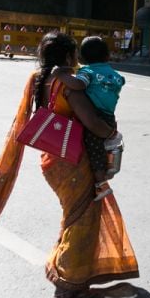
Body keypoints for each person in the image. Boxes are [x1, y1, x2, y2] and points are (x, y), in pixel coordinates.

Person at [0, 31, 139, 298]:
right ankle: (69, 285)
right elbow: (91, 122)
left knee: (73, 215)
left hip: (51, 159)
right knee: (83, 220)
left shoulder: (37, 79)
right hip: (73, 161)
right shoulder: (68, 85)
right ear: (69, 56)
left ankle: (63, 270)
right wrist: (110, 132)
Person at [53, 36, 125, 200]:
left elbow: (79, 85)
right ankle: (110, 164)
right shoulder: (114, 74)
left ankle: (101, 184)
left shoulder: (87, 72)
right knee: (103, 146)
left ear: (83, 58)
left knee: (94, 150)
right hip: (109, 115)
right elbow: (121, 82)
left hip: (95, 115)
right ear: (107, 56)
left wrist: (61, 75)